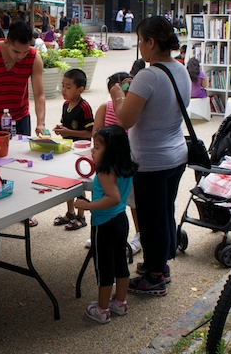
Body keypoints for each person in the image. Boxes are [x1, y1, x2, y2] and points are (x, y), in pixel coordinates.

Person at [109, 16, 190, 296]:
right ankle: (160, 265)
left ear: (152, 42)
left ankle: (155, 277)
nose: (140, 47)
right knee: (164, 213)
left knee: (152, 219)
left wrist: (118, 93)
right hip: (176, 154)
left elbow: (124, 119)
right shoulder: (180, 69)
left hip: (152, 161)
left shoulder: (149, 75)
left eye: (141, 41)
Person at [74, 124, 137, 323]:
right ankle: (119, 302)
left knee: (104, 267)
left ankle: (101, 310)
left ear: (110, 151)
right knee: (120, 262)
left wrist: (88, 205)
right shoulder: (124, 166)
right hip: (120, 221)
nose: (92, 150)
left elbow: (113, 198)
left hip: (105, 224)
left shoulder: (105, 171)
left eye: (97, 147)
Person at [91, 71, 142, 256]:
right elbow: (96, 133)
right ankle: (103, 229)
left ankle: (139, 234)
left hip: (127, 162)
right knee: (107, 195)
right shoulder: (106, 107)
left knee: (132, 201)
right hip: (110, 164)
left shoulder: (136, 108)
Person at [0, 20, 46, 137]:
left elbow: (39, 94)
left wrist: (41, 123)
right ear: (6, 42)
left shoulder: (34, 58)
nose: (20, 56)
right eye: (16, 51)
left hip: (20, 118)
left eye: (24, 52)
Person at [52, 69, 94, 231]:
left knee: (79, 183)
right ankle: (70, 212)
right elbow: (65, 125)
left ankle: (81, 215)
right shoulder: (65, 105)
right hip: (67, 149)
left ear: (80, 90)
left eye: (68, 87)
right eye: (62, 86)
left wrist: (69, 132)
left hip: (81, 152)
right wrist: (61, 128)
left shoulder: (84, 107)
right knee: (68, 181)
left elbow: (90, 132)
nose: (63, 90)